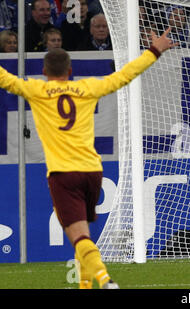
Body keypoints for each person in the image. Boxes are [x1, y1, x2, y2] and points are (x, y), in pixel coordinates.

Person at [0, 28, 176, 288]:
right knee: (83, 236)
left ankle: (106, 281)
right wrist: (154, 51)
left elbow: (5, 80)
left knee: (79, 236)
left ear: (45, 72)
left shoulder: (36, 90)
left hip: (63, 174)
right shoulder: (88, 87)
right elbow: (123, 77)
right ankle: (85, 285)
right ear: (70, 71)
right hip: (93, 172)